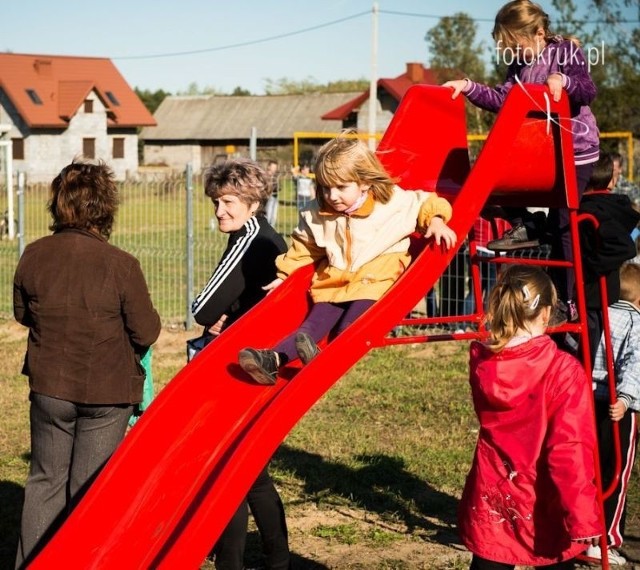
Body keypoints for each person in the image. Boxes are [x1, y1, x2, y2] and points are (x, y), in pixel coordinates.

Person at [13, 161, 161, 568]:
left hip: (49, 388)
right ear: (105, 207)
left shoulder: (34, 254)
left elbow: (21, 313)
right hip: (107, 393)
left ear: (58, 205)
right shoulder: (121, 264)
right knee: (90, 490)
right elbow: (146, 331)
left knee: (45, 482)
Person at [238, 133, 457, 385]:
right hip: (335, 279)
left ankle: (322, 361)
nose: (332, 196)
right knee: (309, 330)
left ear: (364, 182)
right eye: (326, 187)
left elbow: (426, 203)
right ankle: (272, 360)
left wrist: (437, 220)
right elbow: (304, 248)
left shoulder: (390, 202)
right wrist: (284, 276)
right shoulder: (317, 212)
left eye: (341, 188)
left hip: (376, 275)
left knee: (348, 329)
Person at [443, 0, 600, 316]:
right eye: (507, 47)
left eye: (516, 44)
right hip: (541, 151)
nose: (512, 52)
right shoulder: (518, 65)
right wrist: (468, 86)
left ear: (540, 33)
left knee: (563, 224)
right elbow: (503, 99)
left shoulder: (565, 51)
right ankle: (527, 223)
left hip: (575, 150)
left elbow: (587, 90)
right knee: (490, 186)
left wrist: (563, 81)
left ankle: (566, 302)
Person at [458, 264, 601, 570]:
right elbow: (569, 448)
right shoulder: (563, 371)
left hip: (494, 493)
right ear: (547, 313)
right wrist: (583, 517)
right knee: (554, 559)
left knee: (491, 559)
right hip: (544, 500)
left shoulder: (484, 361)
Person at [191, 158, 291, 570]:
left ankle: (231, 562)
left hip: (240, 368)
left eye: (228, 201)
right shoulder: (261, 235)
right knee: (250, 473)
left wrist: (217, 314)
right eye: (216, 202)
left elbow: (202, 307)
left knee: (227, 471)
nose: (220, 211)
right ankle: (278, 560)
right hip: (258, 362)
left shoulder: (251, 236)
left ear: (253, 202)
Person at [588, 262, 640, 565]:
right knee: (615, 473)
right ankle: (605, 538)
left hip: (588, 401)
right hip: (618, 409)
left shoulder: (599, 315)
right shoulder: (635, 323)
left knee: (590, 471)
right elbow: (634, 364)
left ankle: (582, 534)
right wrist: (625, 397)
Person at [578, 153, 640, 361]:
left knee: (585, 354)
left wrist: (586, 268)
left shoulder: (593, 211)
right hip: (593, 294)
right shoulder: (602, 207)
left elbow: (624, 247)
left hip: (592, 295)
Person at [264, 159, 280, 227]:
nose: (274, 170)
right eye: (273, 167)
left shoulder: (275, 176)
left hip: (275, 197)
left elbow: (278, 187)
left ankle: (271, 230)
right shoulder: (264, 176)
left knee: (273, 217)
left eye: (275, 168)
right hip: (268, 198)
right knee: (268, 216)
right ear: (269, 167)